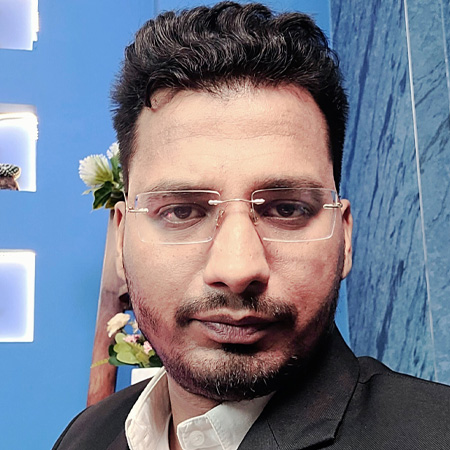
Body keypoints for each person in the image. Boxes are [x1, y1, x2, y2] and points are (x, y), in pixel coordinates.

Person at [53, 2, 450, 449]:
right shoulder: (84, 436)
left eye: (287, 209)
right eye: (181, 211)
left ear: (345, 238)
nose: (238, 269)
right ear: (122, 238)